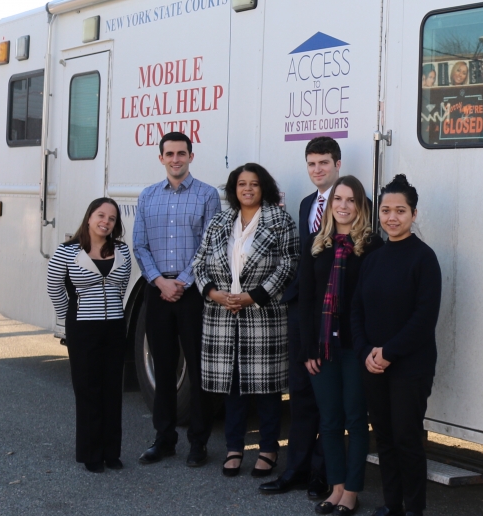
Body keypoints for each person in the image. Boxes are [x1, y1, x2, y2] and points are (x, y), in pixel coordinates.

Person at [192, 163, 298, 477]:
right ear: (233, 189)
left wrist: (254, 296)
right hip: (223, 315)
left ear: (263, 187)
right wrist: (214, 293)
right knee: (233, 387)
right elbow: (199, 263)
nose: (247, 189)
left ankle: (268, 450)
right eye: (241, 184)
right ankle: (234, 448)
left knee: (267, 389)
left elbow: (290, 264)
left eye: (254, 183)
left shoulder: (280, 220)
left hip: (263, 314)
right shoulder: (220, 220)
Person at [353, 175, 442, 516]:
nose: (392, 217)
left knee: (406, 437)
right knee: (385, 437)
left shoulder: (424, 259)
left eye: (400, 211)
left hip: (409, 366)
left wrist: (387, 353)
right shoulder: (373, 259)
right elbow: (357, 311)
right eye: (386, 210)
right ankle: (391, 506)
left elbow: (423, 318)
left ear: (413, 214)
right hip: (373, 364)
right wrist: (366, 352)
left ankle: (413, 512)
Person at [133, 132, 221, 468]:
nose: (175, 159)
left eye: (181, 153)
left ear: (190, 156)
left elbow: (208, 245)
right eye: (169, 154)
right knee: (164, 367)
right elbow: (140, 244)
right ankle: (164, 439)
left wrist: (182, 281)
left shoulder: (207, 195)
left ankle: (198, 442)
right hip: (157, 292)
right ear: (161, 158)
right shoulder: (148, 196)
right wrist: (159, 281)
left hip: (192, 293)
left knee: (198, 370)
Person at [259, 135, 341, 497]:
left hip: (332, 311)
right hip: (302, 308)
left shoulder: (351, 201)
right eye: (311, 164)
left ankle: (323, 472)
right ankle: (296, 468)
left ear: (337, 165)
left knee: (328, 398)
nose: (317, 170)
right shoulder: (308, 203)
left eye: (324, 163)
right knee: (301, 391)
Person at [301, 175, 382, 516]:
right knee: (330, 419)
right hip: (322, 348)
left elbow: (374, 302)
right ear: (330, 204)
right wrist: (308, 348)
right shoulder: (317, 245)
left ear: (360, 206)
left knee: (355, 418)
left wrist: (368, 347)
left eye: (350, 200)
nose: (343, 206)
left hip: (355, 347)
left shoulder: (372, 246)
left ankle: (351, 491)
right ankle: (335, 487)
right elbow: (306, 299)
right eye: (338, 199)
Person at [47, 198, 133, 473]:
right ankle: (91, 454)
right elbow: (54, 286)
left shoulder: (122, 250)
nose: (105, 222)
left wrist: (112, 310)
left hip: (115, 327)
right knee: (88, 391)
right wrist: (71, 315)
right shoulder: (67, 251)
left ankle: (111, 453)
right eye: (101, 215)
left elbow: (122, 286)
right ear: (89, 217)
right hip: (83, 328)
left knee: (112, 390)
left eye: (111, 218)